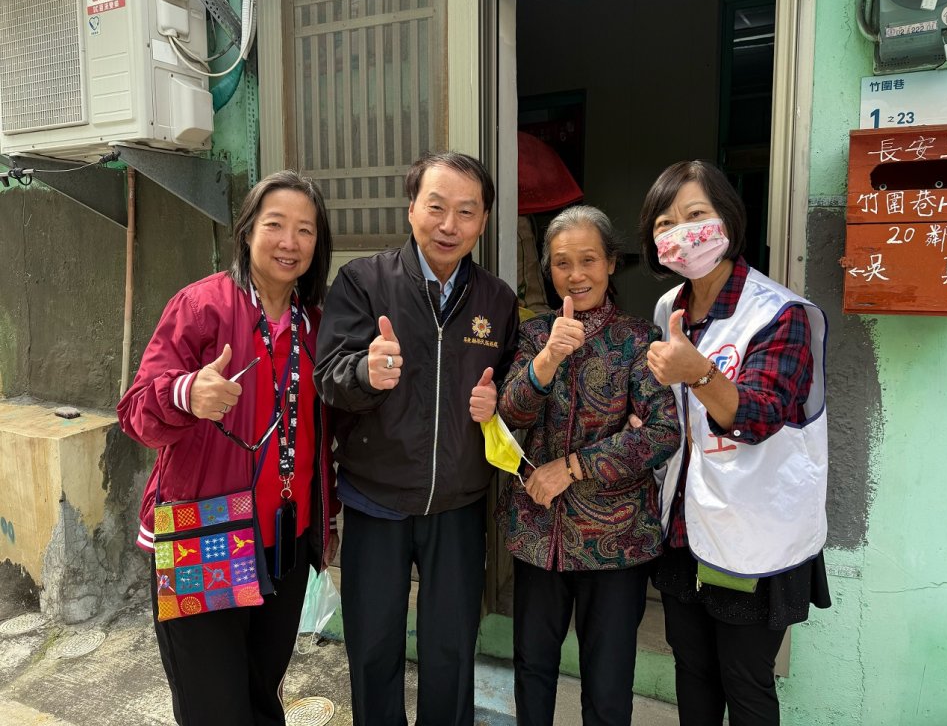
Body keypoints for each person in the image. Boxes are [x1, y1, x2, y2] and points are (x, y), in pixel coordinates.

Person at [117, 170, 341, 726]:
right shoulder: (202, 307)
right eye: (275, 225)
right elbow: (137, 413)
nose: (290, 242)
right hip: (207, 532)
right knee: (213, 707)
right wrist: (187, 393)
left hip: (284, 541)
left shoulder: (318, 324)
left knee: (263, 696)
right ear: (246, 232)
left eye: (305, 231)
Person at [313, 151, 519, 726]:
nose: (449, 224)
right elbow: (328, 378)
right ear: (412, 210)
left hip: (458, 501)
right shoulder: (363, 282)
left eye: (466, 211)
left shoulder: (497, 301)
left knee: (451, 647)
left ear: (482, 222)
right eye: (436, 207)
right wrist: (364, 373)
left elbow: (516, 392)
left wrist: (499, 404)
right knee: (374, 644)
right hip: (375, 497)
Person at [638, 160, 831, 726]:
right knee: (692, 675)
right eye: (665, 222)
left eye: (696, 215)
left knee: (745, 684)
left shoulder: (779, 314)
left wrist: (699, 373)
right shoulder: (668, 308)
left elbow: (760, 417)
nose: (682, 233)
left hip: (755, 535)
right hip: (685, 527)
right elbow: (669, 409)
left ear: (728, 219)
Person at [495, 205, 680, 726]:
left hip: (616, 543)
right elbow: (508, 419)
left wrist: (571, 467)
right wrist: (547, 360)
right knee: (532, 668)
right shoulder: (532, 336)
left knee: (608, 678)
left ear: (611, 263)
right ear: (547, 270)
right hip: (538, 535)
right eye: (561, 263)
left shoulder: (638, 340)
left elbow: (664, 431)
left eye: (588, 260)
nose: (575, 275)